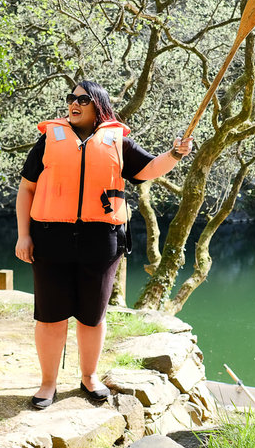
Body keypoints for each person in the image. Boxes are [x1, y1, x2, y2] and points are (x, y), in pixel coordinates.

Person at [15, 80, 193, 409]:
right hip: (50, 238)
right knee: (50, 317)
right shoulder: (49, 139)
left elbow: (149, 168)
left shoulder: (117, 140)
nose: (74, 103)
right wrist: (23, 235)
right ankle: (48, 384)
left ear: (98, 104)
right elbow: (26, 189)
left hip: (102, 241)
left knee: (92, 316)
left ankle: (89, 377)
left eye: (82, 99)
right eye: (71, 98)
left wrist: (175, 154)